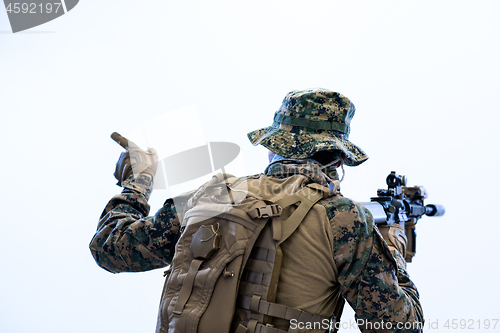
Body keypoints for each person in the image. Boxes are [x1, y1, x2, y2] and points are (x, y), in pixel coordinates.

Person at [90, 88, 424, 332]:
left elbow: (110, 249)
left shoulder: (209, 195)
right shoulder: (346, 220)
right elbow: (398, 328)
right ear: (338, 161)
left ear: (272, 149)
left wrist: (139, 180)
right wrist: (391, 248)